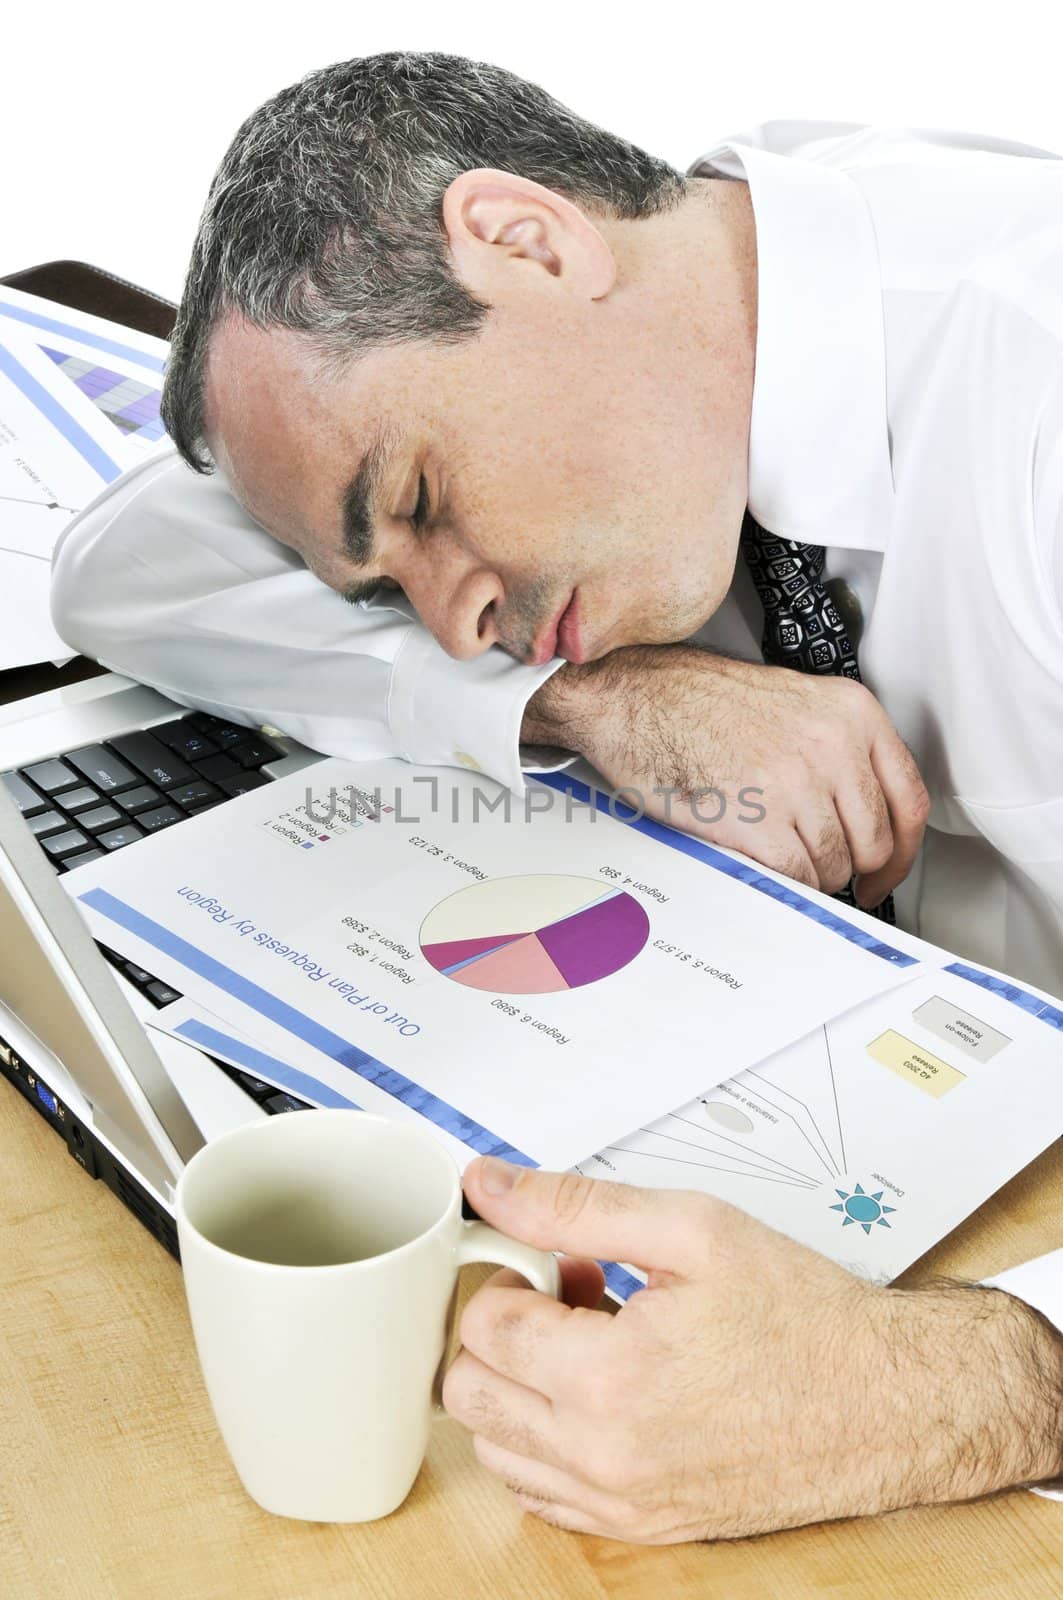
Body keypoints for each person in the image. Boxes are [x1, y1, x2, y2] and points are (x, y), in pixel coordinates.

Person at [51, 53, 1062, 1539]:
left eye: (415, 505)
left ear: (529, 241)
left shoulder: (1030, 392)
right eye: (389, 586)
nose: (453, 622)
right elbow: (124, 566)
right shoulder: (709, 293)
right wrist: (577, 699)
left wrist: (939, 1392)